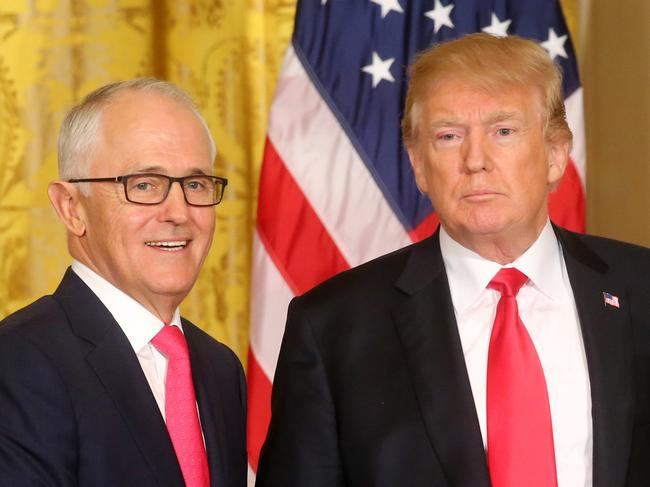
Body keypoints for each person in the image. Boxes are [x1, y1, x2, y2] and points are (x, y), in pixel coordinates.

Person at [255, 34, 650, 487]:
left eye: (503, 131)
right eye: (448, 136)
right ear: (419, 165)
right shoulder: (332, 328)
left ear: (556, 155)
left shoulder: (641, 289)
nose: (475, 160)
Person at [0, 78, 246, 486]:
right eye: (144, 185)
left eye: (196, 184)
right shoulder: (18, 360)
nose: (179, 212)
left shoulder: (220, 368)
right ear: (71, 207)